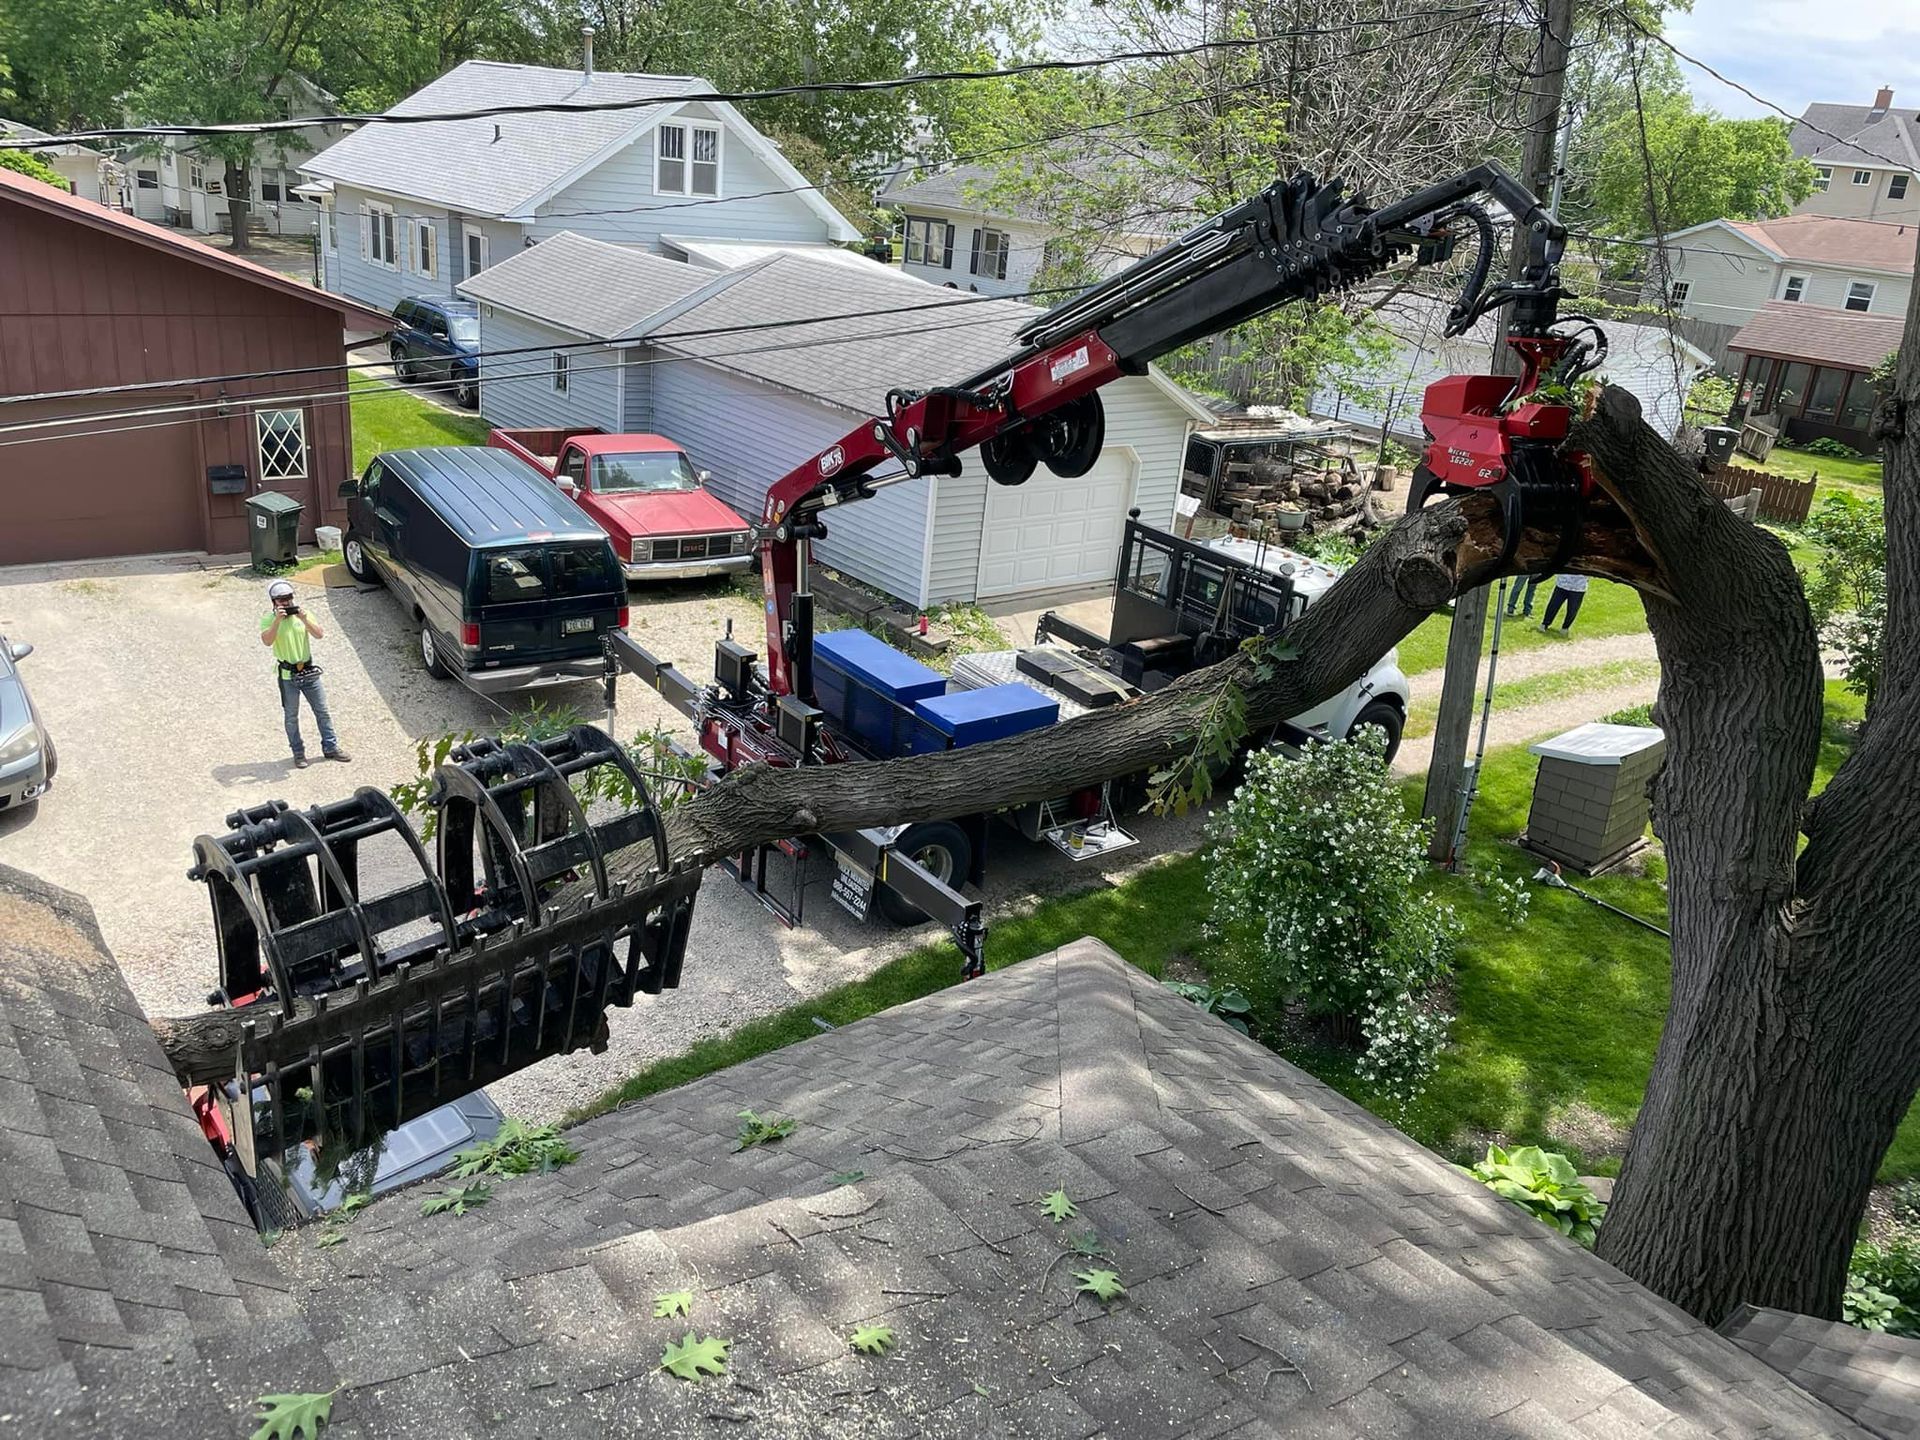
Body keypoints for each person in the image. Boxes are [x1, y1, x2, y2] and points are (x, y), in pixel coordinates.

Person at [261, 579, 350, 768]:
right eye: (280, 600)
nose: (285, 602)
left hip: (308, 672)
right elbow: (267, 641)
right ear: (273, 601)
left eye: (288, 598)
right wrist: (277, 620)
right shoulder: (268, 619)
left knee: (322, 712)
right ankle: (298, 752)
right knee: (291, 716)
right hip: (287, 675)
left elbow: (319, 634)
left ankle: (331, 747)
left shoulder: (304, 615)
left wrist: (303, 618)